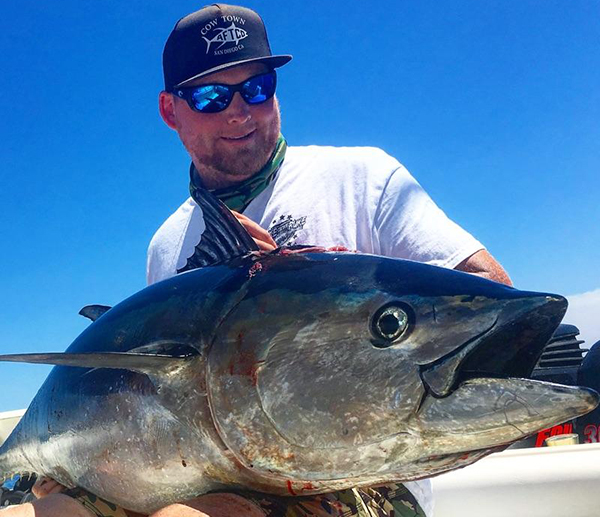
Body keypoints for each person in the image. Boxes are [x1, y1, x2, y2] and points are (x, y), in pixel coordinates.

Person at [1, 4, 511, 517]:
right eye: (210, 96)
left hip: (352, 478)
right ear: (169, 111)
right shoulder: (169, 242)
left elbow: (488, 290)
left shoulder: (363, 179)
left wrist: (331, 284)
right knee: (54, 511)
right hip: (213, 469)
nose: (240, 111)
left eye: (258, 87)